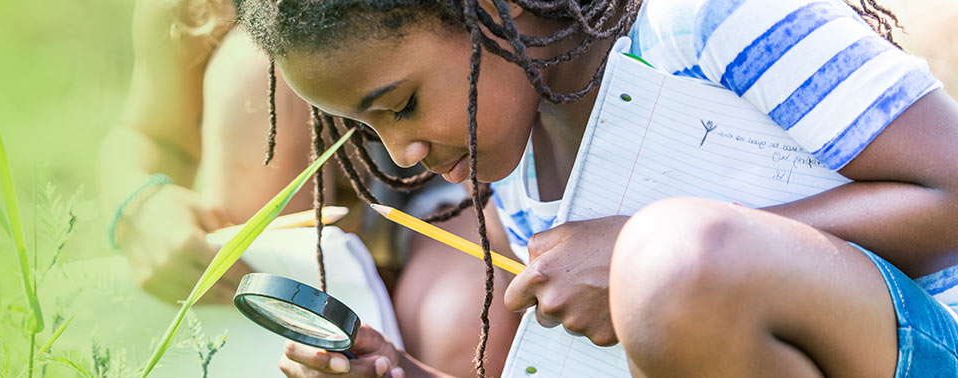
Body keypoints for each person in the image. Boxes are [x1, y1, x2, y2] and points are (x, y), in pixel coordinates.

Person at [236, 0, 958, 377]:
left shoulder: (707, 17)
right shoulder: (520, 170)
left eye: (400, 106)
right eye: (367, 130)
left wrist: (639, 253)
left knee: (673, 261)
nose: (404, 154)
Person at [95, 0, 520, 375]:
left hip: (451, 189)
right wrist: (140, 205)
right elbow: (149, 134)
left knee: (467, 331)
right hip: (295, 212)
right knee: (254, 74)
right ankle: (272, 340)